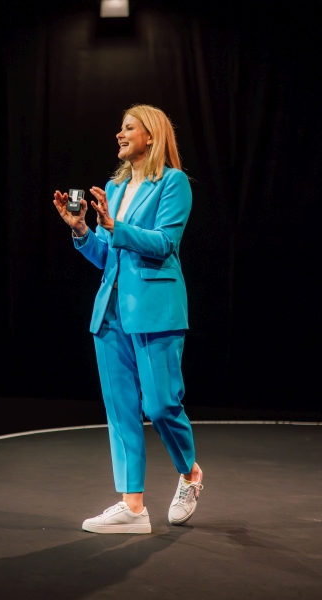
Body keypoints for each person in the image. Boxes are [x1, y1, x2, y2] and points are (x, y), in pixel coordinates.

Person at [52, 104, 202, 534]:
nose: (120, 134)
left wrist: (116, 227)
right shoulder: (114, 189)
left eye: (129, 128)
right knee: (121, 411)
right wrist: (81, 229)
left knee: (160, 405)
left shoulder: (173, 184)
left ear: (150, 136)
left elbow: (164, 244)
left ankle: (190, 474)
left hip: (156, 309)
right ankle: (133, 507)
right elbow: (106, 256)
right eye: (119, 128)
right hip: (112, 311)